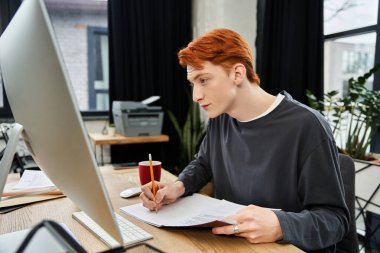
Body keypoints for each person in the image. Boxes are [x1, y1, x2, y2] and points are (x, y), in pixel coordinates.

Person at [140, 28, 349, 252]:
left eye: (203, 80)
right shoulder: (220, 118)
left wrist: (281, 225)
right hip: (228, 245)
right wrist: (178, 187)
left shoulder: (307, 126)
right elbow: (203, 164)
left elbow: (335, 220)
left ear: (238, 74)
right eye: (193, 84)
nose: (196, 95)